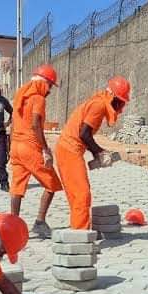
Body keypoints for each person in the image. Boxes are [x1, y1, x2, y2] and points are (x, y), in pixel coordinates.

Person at [55, 76, 131, 229]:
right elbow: (84, 134)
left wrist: (97, 152)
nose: (121, 107)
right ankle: (81, 234)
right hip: (70, 150)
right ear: (114, 99)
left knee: (76, 195)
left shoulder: (98, 102)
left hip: (67, 149)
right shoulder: (99, 106)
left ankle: (77, 230)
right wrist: (100, 153)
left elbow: (84, 134)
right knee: (82, 195)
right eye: (121, 102)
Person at [9, 64, 63, 238]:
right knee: (52, 184)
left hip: (16, 146)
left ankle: (13, 226)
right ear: (44, 82)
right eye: (50, 86)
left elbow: (14, 121)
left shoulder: (20, 94)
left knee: (17, 188)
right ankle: (40, 222)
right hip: (30, 148)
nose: (49, 91)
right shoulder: (38, 99)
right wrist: (46, 149)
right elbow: (35, 124)